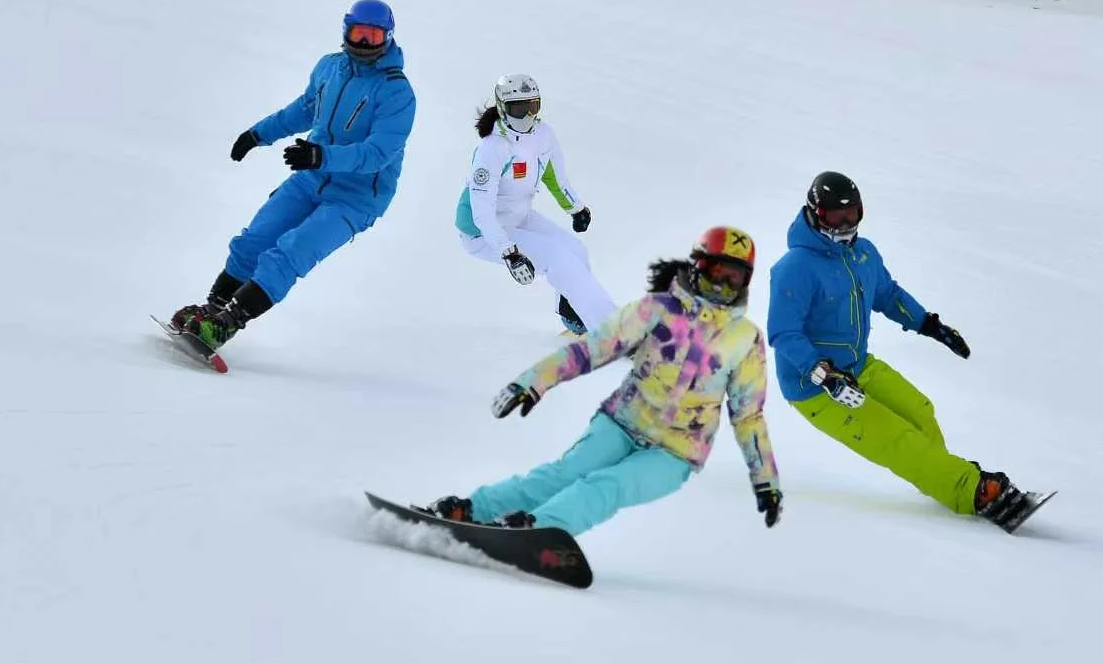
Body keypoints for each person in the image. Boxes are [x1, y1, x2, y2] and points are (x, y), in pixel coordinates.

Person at [426, 227, 783, 535]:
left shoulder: (745, 339)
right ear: (698, 265)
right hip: (621, 423)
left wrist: (765, 481)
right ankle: (471, 510)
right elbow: (592, 349)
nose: (722, 284)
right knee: (565, 473)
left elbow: (748, 416)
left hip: (675, 452)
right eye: (716, 271)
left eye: (734, 277)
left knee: (608, 486)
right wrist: (533, 382)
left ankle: (539, 529)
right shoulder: (657, 309)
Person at [767, 171, 1029, 530]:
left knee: (920, 411)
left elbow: (887, 295)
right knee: (896, 439)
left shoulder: (863, 253)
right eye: (835, 216)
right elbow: (783, 333)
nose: (845, 224)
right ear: (815, 213)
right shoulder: (794, 268)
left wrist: (930, 325)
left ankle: (940, 474)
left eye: (852, 214)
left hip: (858, 366)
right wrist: (824, 375)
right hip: (815, 386)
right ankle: (970, 491)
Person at [168, 0, 416, 349]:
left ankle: (227, 323)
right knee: (253, 241)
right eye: (358, 33)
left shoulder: (397, 92)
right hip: (310, 178)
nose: (363, 43)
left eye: (373, 36)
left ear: (387, 38)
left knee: (292, 251)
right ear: (345, 30)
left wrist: (320, 155)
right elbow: (304, 109)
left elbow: (377, 154)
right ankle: (211, 310)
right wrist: (258, 134)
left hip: (356, 199)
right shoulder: (330, 67)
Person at [455, 73, 615, 334]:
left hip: (518, 217)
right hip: (482, 232)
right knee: (558, 258)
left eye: (533, 106)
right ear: (503, 109)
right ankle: (611, 330)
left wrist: (575, 208)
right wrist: (509, 252)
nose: (528, 115)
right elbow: (481, 210)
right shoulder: (493, 148)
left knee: (576, 252)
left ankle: (574, 315)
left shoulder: (543, 135)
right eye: (519, 109)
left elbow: (554, 176)